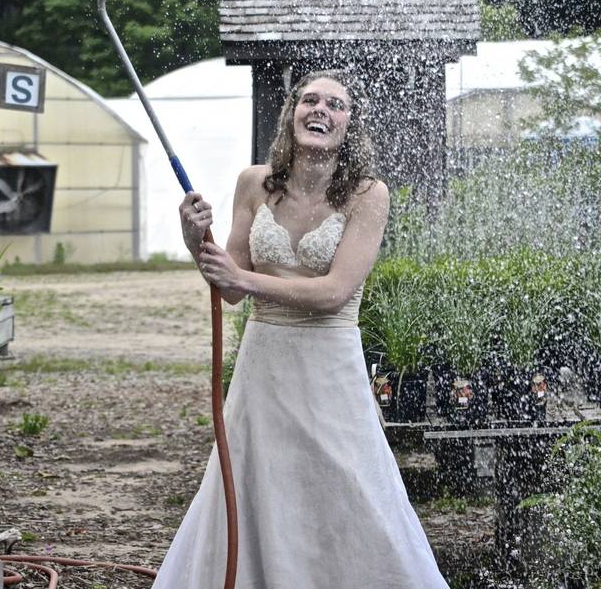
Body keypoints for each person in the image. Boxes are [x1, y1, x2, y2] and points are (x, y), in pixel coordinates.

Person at [153, 70, 449, 588]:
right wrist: (194, 239)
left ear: (349, 124)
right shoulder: (254, 183)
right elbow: (230, 287)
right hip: (262, 363)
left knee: (344, 481)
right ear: (292, 115)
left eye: (335, 105)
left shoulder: (367, 195)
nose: (321, 110)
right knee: (255, 482)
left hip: (328, 365)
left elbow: (335, 292)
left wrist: (241, 276)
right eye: (310, 100)